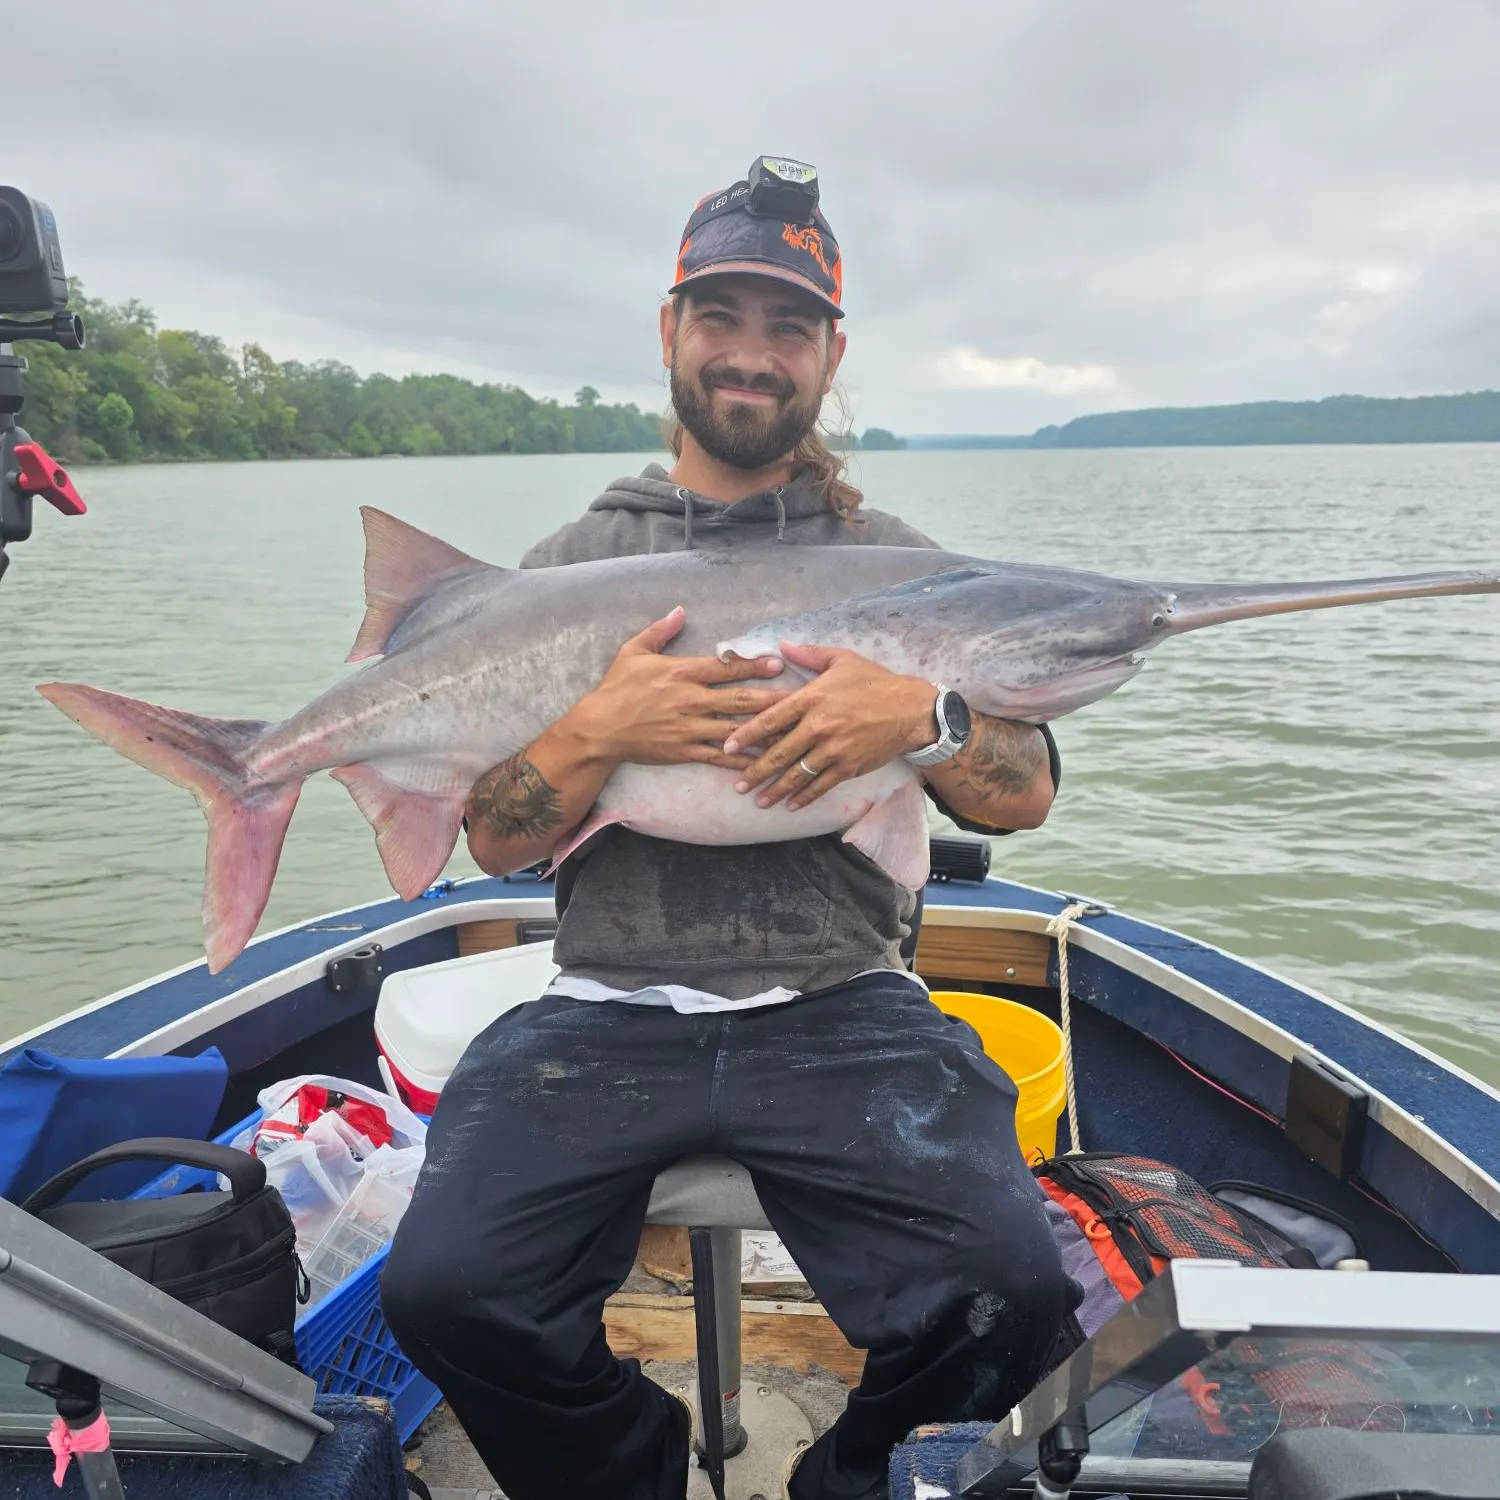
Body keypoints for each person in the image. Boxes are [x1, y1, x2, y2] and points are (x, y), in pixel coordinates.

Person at [382, 156, 1077, 1500]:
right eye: (724, 318)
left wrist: (921, 719)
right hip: (602, 1004)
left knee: (1011, 1294)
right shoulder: (577, 568)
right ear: (670, 331)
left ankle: (847, 1490)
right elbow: (500, 845)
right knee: (447, 1291)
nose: (752, 355)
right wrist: (598, 729)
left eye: (788, 327)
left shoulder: (901, 562)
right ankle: (634, 1475)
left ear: (829, 353)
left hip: (842, 1003)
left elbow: (1025, 796)